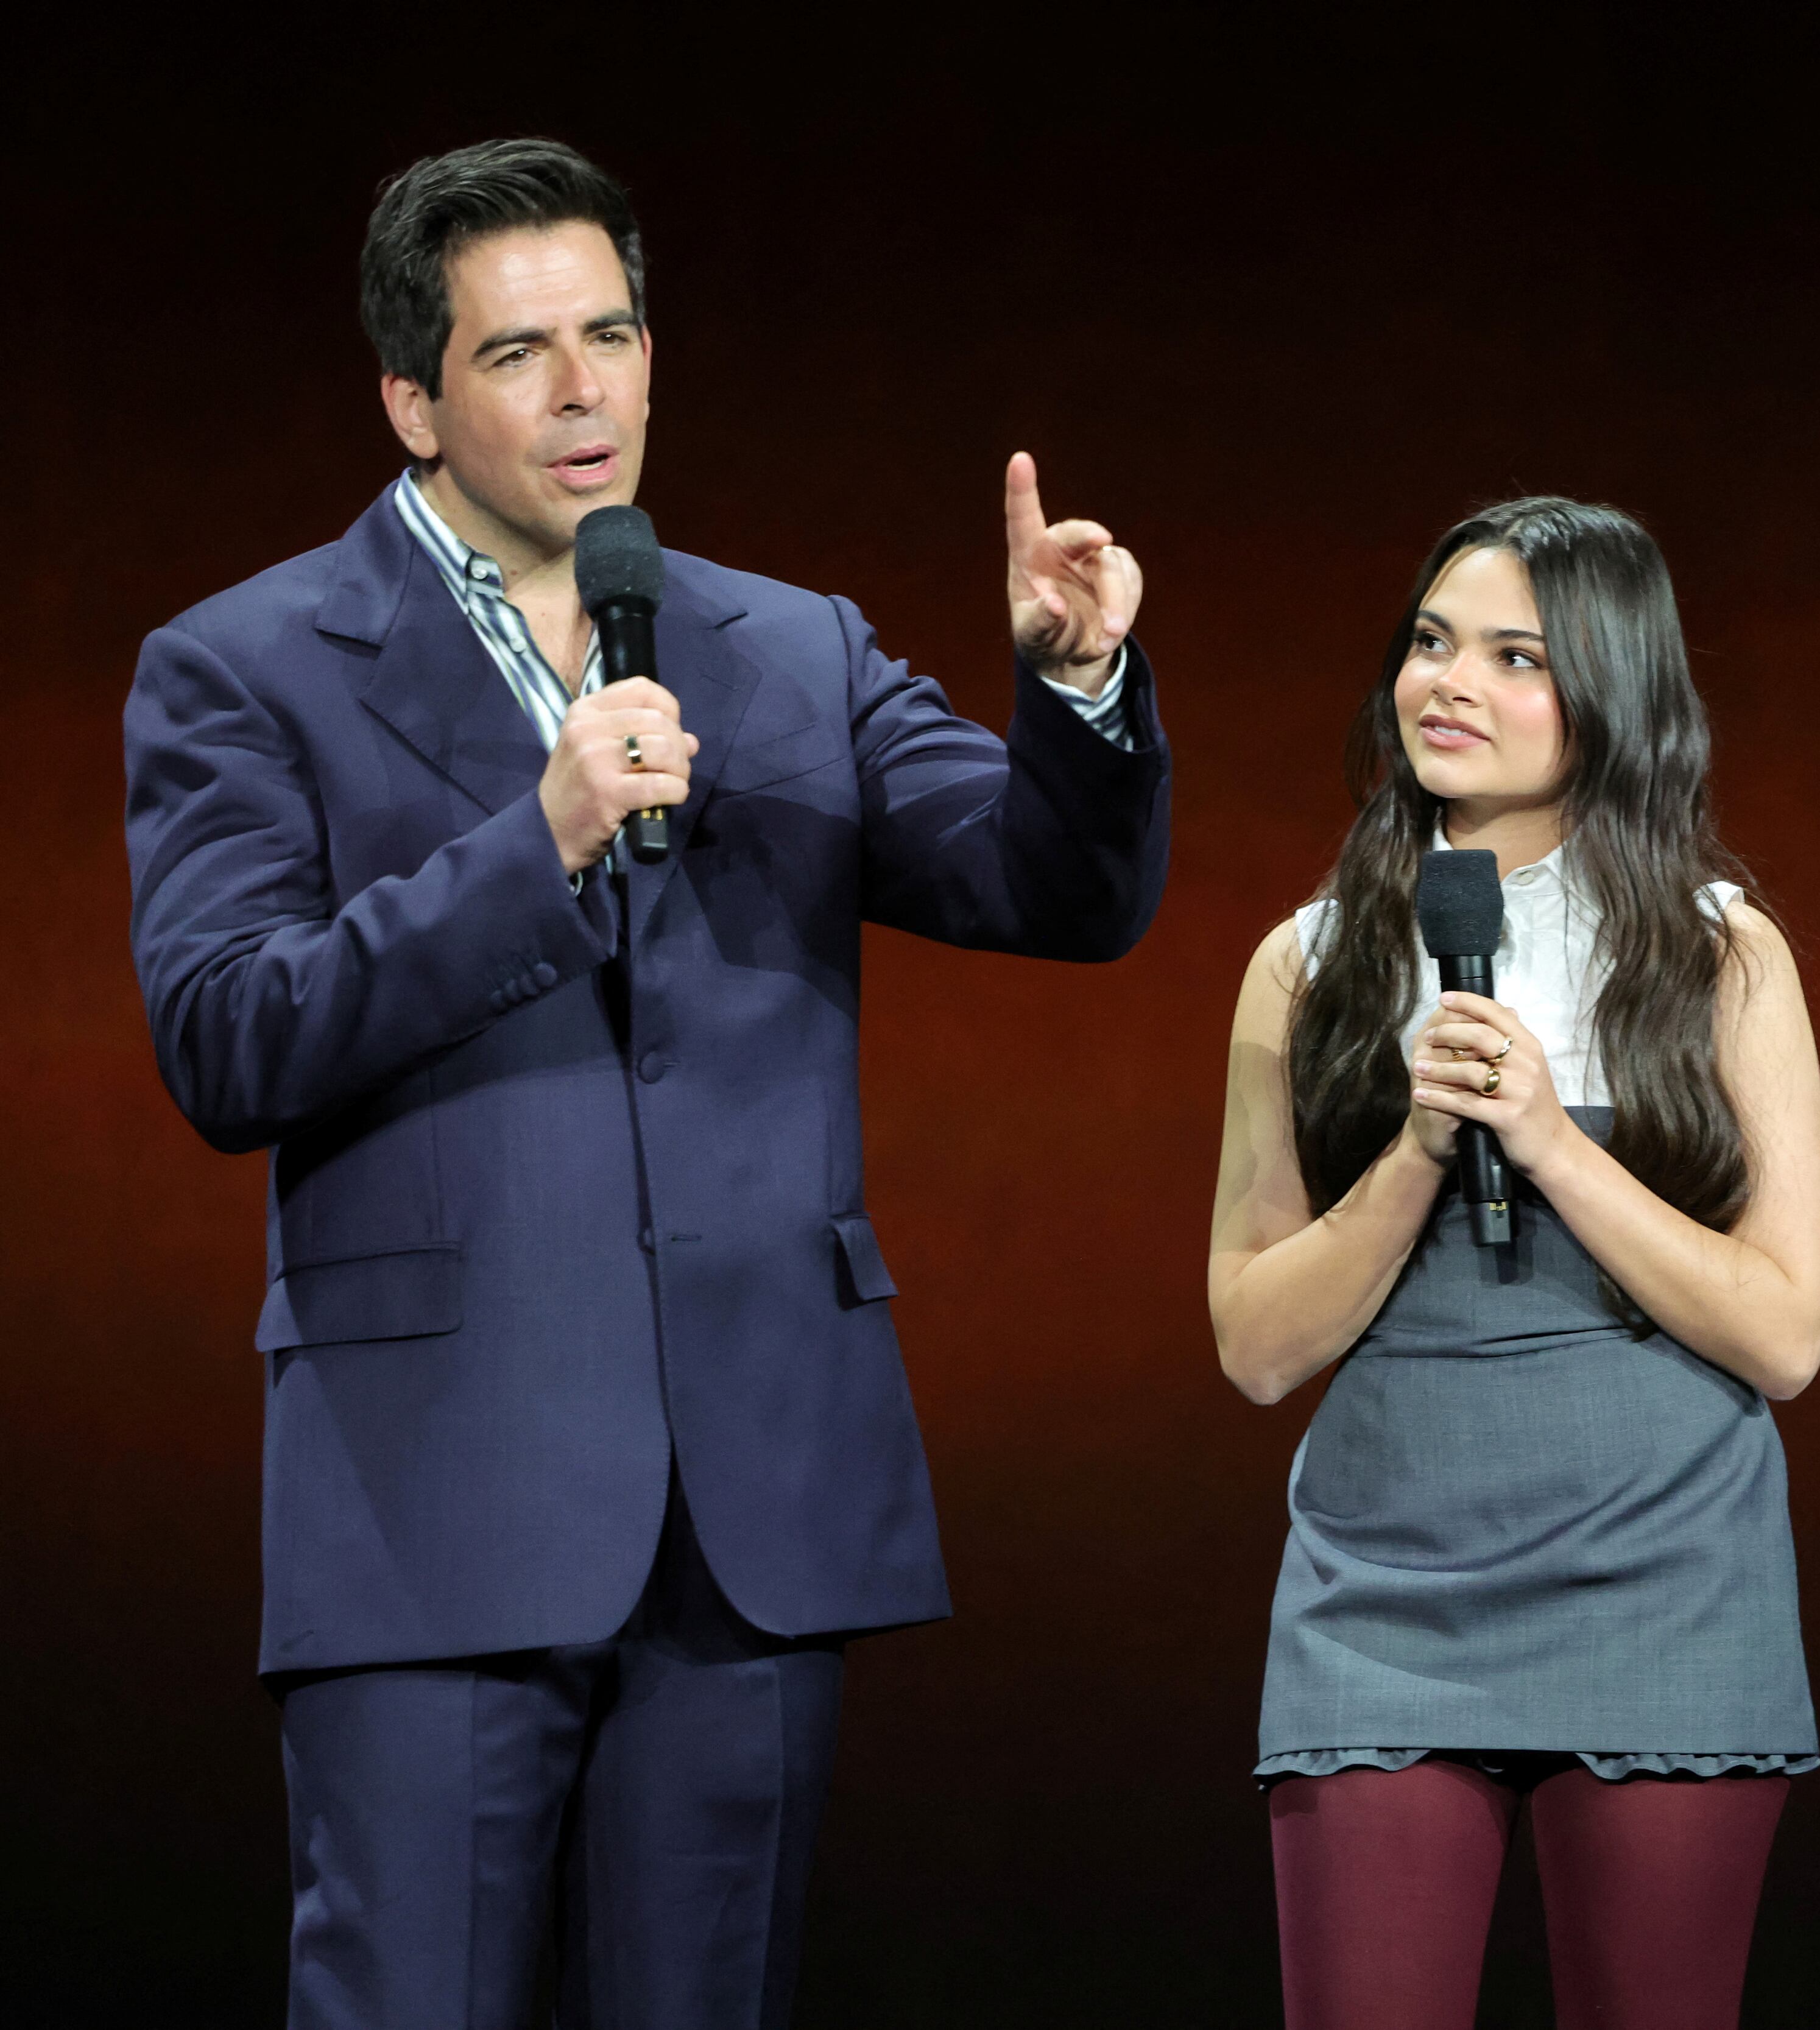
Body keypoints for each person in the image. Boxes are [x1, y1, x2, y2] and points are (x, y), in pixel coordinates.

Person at [121, 138, 1169, 2028]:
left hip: (748, 1517)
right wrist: (536, 840)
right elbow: (226, 1032)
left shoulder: (792, 645)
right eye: (520, 353)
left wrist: (1077, 695)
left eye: (612, 333)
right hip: (433, 1506)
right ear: (412, 400)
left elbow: (1052, 890)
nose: (586, 387)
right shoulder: (244, 664)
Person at [1208, 499, 1820, 2029]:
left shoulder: (1720, 951)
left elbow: (1787, 1331)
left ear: (1610, 691)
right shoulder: (1306, 963)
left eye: (1512, 656)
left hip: (1668, 1578)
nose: (1449, 683)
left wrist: (1551, 1137)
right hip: (1386, 1593)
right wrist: (1419, 1146)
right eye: (1429, 643)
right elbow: (1254, 1339)